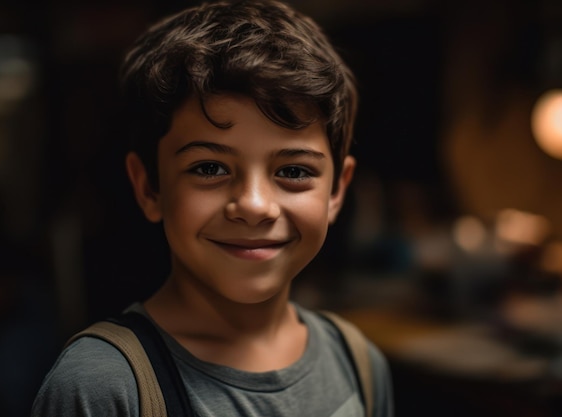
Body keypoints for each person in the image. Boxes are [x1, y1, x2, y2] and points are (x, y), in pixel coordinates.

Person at [31, 0, 394, 416]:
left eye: (293, 171)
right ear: (149, 186)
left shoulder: (359, 363)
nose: (255, 206)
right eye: (209, 167)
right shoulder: (105, 388)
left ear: (336, 191)